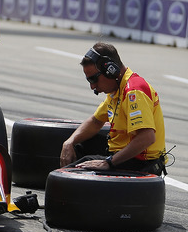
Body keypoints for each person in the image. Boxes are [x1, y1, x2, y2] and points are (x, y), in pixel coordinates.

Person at [59, 42, 167, 175]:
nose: (92, 87)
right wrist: (69, 142)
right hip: (122, 154)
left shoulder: (133, 91)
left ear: (110, 70)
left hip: (141, 161)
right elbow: (95, 121)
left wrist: (108, 162)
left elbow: (147, 137)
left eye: (93, 79)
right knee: (76, 146)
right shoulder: (116, 90)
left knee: (79, 168)